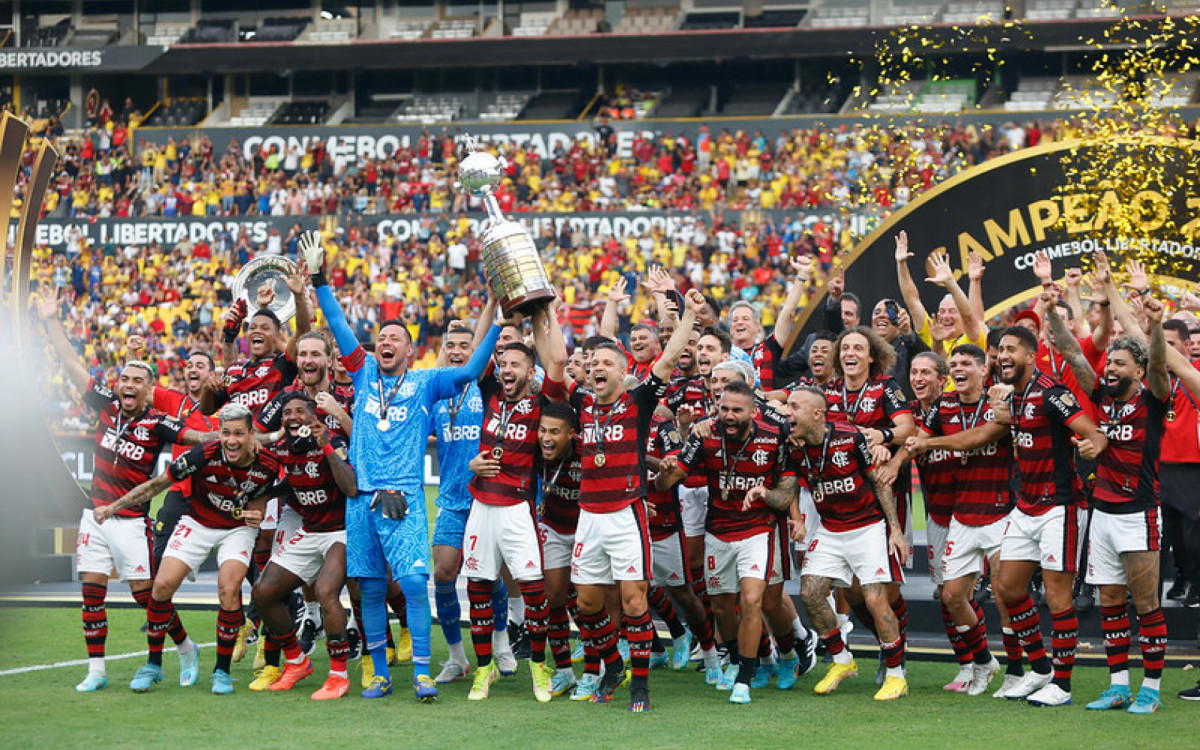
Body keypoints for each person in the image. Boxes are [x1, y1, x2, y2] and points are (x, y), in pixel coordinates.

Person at [303, 230, 501, 701]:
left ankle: (422, 672)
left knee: (413, 582)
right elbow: (337, 324)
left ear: (411, 351)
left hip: (405, 497)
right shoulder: (363, 370)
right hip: (362, 499)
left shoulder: (428, 382)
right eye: (381, 338)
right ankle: (378, 673)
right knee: (369, 589)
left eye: (395, 339)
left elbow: (472, 371)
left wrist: (494, 320)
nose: (384, 342)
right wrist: (318, 279)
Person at [909, 324, 1109, 707]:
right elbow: (981, 436)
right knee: (1007, 588)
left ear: (1031, 355)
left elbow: (1092, 431)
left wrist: (1093, 445)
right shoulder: (1011, 400)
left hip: (1059, 506)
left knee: (1057, 597)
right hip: (1026, 507)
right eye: (1000, 350)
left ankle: (1062, 685)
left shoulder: (1052, 393)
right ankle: (1039, 668)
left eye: (1012, 350)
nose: (1003, 356)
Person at [38, 300, 208, 693]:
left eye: (137, 381)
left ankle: (184, 647)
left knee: (145, 597)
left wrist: (232, 435)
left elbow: (197, 437)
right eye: (124, 379)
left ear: (150, 390)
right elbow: (69, 363)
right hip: (94, 517)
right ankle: (96, 670)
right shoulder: (105, 404)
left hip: (132, 523)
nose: (128, 385)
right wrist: (51, 321)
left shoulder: (158, 422)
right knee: (91, 594)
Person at [567, 288, 704, 712]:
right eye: (594, 365)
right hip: (588, 515)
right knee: (586, 604)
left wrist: (690, 316)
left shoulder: (639, 401)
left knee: (634, 602)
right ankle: (611, 663)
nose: (599, 368)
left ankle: (640, 688)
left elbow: (666, 358)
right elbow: (577, 354)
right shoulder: (581, 403)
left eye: (609, 363)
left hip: (627, 514)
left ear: (625, 372)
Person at [96, 403, 283, 695]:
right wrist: (113, 507)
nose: (231, 440)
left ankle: (221, 671)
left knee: (229, 588)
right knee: (161, 586)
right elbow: (156, 485)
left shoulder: (269, 463)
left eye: (238, 433)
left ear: (250, 435)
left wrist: (257, 510)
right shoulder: (203, 455)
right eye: (225, 433)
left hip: (237, 530)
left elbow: (267, 495)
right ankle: (153, 664)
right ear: (218, 433)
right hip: (197, 523)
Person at [1050, 296, 1170, 714]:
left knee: (1146, 605)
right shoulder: (1102, 395)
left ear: (1137, 371)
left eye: (1120, 364)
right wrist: (1051, 311)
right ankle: (1119, 685)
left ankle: (1150, 689)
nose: (1110, 368)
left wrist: (1155, 327)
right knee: (1110, 603)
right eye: (1110, 363)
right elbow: (1070, 350)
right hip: (1101, 514)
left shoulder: (1154, 397)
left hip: (1139, 514)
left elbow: (1158, 365)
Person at [656, 381, 807, 704]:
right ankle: (760, 659)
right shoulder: (704, 435)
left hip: (760, 528)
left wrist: (768, 496)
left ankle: (758, 669)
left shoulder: (774, 436)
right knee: (724, 607)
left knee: (759, 601)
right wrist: (665, 472)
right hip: (718, 530)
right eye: (724, 409)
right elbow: (673, 476)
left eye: (737, 410)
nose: (729, 416)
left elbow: (787, 489)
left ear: (753, 411)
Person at [459, 305, 567, 703]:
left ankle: (538, 665)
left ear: (530, 372)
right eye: (503, 362)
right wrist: (492, 304)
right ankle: (484, 668)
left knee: (533, 591)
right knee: (478, 588)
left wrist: (545, 313)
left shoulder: (543, 404)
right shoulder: (489, 392)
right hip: (481, 507)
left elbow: (557, 358)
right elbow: (476, 351)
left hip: (519, 509)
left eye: (516, 364)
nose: (506, 369)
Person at [785, 387, 910, 701]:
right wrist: (797, 517)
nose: (788, 413)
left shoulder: (850, 437)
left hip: (867, 526)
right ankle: (842, 660)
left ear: (817, 414)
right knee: (810, 591)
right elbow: (788, 485)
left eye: (795, 407)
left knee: (874, 599)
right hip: (829, 528)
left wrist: (895, 530)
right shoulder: (791, 444)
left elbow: (879, 483)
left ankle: (896, 675)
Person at [908, 345, 1010, 696]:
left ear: (984, 370)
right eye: (954, 364)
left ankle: (1020, 670)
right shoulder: (943, 406)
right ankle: (979, 662)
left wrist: (932, 443)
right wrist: (892, 457)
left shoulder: (999, 402)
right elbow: (916, 443)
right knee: (951, 595)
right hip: (953, 514)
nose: (959, 368)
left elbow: (978, 437)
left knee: (1005, 592)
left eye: (966, 363)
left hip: (999, 509)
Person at [248, 393, 357, 700]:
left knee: (325, 591)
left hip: (342, 531)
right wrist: (263, 497)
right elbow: (290, 480)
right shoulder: (284, 449)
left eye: (299, 411)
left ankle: (338, 675)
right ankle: (297, 662)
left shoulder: (333, 441)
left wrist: (325, 447)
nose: (293, 416)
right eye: (287, 413)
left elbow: (350, 487)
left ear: (314, 417)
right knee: (263, 592)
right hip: (310, 531)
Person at [428, 320, 489, 684]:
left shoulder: (484, 386)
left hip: (486, 498)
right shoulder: (436, 391)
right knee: (443, 573)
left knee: (487, 575)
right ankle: (456, 657)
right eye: (450, 345)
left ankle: (500, 649)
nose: (456, 351)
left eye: (464, 346)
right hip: (451, 499)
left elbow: (478, 356)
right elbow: (440, 367)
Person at [533, 401, 586, 697]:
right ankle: (565, 671)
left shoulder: (588, 453)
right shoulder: (535, 450)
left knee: (590, 601)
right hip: (553, 527)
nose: (547, 438)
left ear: (572, 434)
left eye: (555, 431)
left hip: (586, 531)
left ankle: (603, 666)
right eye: (542, 430)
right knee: (553, 599)